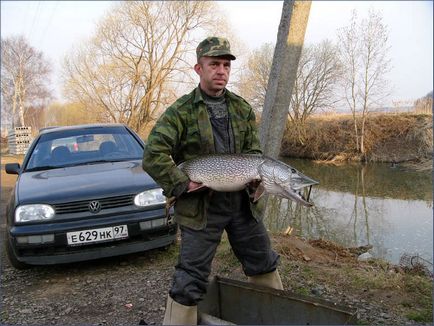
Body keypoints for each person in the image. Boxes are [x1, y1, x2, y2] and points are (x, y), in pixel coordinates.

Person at [142, 36, 283, 325]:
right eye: (214, 64)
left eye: (226, 65)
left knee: (263, 262)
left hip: (242, 204)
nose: (222, 71)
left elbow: (253, 153)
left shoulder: (242, 108)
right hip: (200, 207)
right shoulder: (180, 111)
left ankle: (275, 317)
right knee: (190, 276)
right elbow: (153, 154)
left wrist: (257, 180)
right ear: (198, 68)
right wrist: (181, 183)